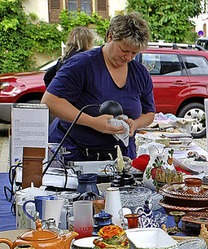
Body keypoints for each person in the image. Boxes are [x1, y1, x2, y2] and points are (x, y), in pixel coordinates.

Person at [42, 12, 155, 162]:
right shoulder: (81, 64)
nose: (128, 57)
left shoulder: (140, 73)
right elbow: (50, 102)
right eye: (124, 50)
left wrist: (135, 124)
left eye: (134, 53)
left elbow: (149, 113)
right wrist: (93, 122)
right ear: (109, 37)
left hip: (120, 156)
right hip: (74, 153)